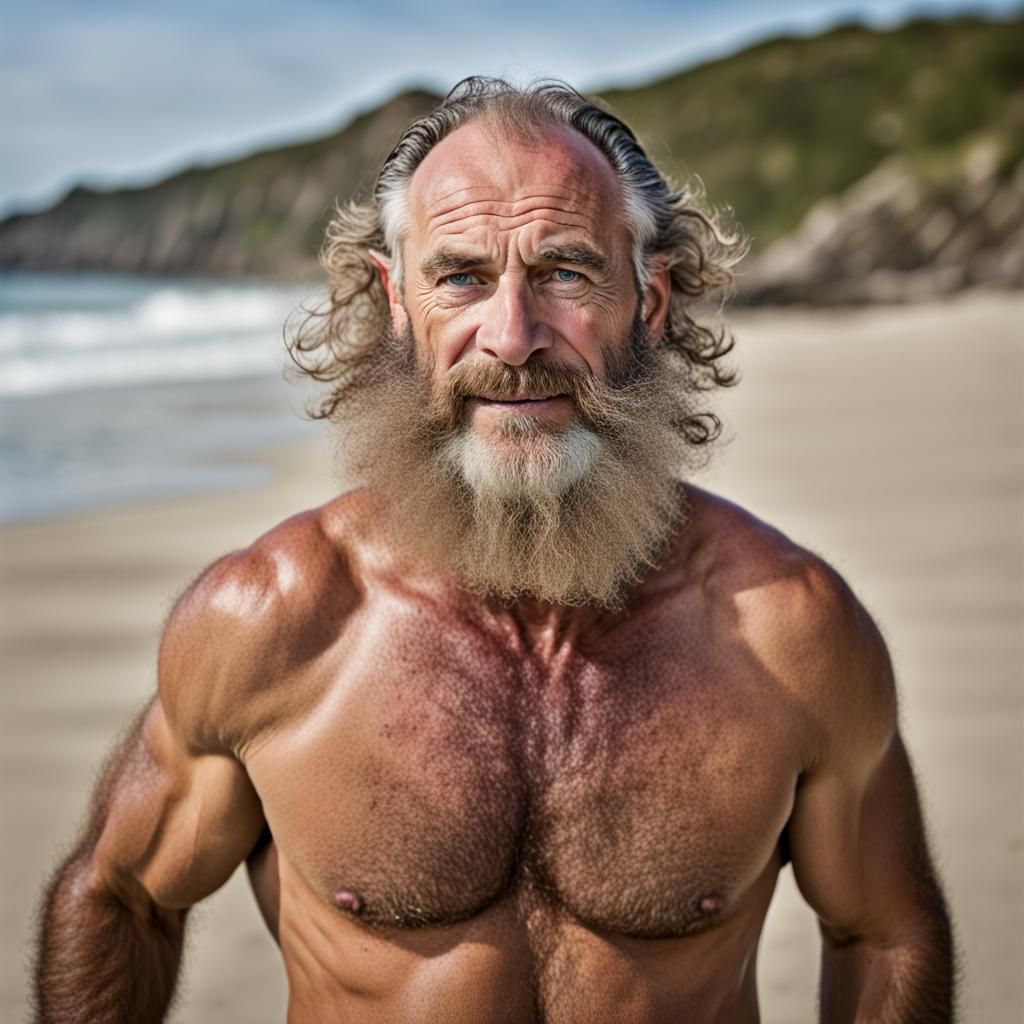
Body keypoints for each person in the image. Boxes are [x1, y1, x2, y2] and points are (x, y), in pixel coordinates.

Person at [33, 78, 954, 1023]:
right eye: (462, 277)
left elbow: (884, 933)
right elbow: (122, 897)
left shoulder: (788, 633)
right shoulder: (276, 622)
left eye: (565, 271)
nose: (512, 338)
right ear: (399, 303)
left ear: (651, 297)